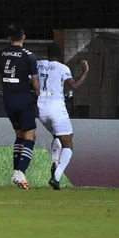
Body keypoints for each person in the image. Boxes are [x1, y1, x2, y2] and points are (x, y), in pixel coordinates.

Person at [37, 42, 89, 190]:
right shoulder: (62, 68)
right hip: (57, 109)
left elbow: (31, 80)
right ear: (60, 55)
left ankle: (54, 160)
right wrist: (85, 71)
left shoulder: (38, 64)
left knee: (57, 136)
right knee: (68, 143)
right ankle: (57, 176)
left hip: (42, 110)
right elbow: (74, 85)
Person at [0, 23, 40, 190]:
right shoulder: (29, 56)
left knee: (19, 135)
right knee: (30, 136)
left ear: (8, 37)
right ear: (24, 36)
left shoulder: (1, 54)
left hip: (8, 100)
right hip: (23, 99)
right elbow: (35, 83)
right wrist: (37, 95)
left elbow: (6, 74)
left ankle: (17, 173)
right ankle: (20, 172)